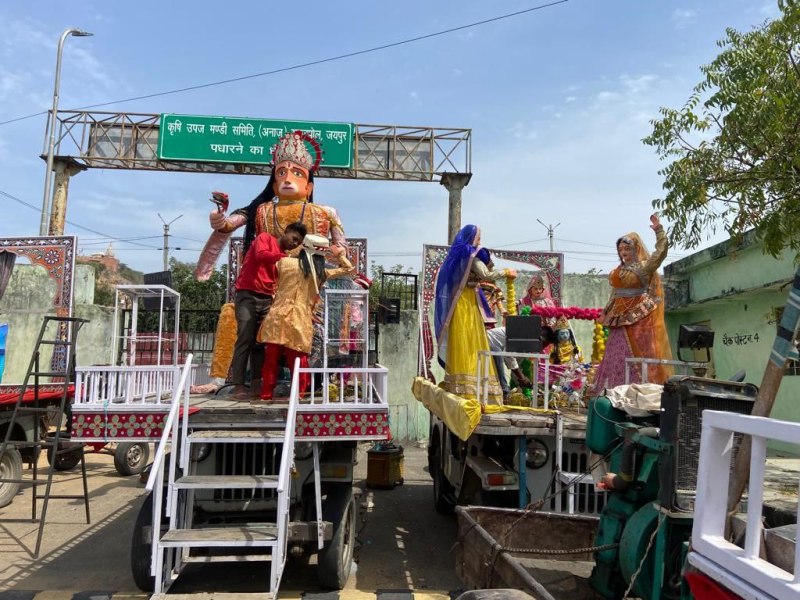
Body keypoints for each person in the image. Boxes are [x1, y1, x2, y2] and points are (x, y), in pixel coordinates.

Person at [195, 130, 347, 281]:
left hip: (309, 281)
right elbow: (229, 224)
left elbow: (342, 250)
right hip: (269, 280)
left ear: (309, 188)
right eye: (281, 173)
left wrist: (337, 252)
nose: (287, 179)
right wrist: (220, 221)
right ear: (274, 186)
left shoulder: (327, 212)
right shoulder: (262, 210)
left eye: (297, 174)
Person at [257, 234, 354, 401]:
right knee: (298, 360)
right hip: (299, 320)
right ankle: (299, 394)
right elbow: (348, 269)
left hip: (277, 318)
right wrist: (340, 255)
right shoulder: (320, 272)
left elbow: (270, 275)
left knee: (271, 359)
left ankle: (266, 394)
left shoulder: (284, 262)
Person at [434, 225, 516, 404]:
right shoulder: (471, 255)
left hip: (460, 300)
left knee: (464, 340)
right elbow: (486, 274)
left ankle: (461, 386)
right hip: (466, 303)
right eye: (478, 237)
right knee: (471, 340)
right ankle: (472, 389)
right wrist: (506, 272)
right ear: (472, 238)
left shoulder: (457, 256)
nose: (480, 240)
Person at [591, 214, 672, 394]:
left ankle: (640, 391)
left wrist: (658, 230)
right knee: (615, 352)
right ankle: (612, 390)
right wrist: (605, 311)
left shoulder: (645, 266)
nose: (623, 252)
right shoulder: (618, 271)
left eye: (627, 248)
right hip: (618, 315)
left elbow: (661, 252)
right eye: (620, 249)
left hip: (639, 315)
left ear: (636, 249)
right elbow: (615, 293)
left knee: (640, 351)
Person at [229, 222, 306, 400]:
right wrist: (286, 258)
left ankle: (256, 384)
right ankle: (238, 385)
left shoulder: (284, 259)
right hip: (247, 295)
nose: (294, 243)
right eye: (294, 238)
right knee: (245, 339)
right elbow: (261, 255)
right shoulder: (265, 238)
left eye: (298, 242)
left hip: (267, 299)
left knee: (261, 342)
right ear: (286, 232)